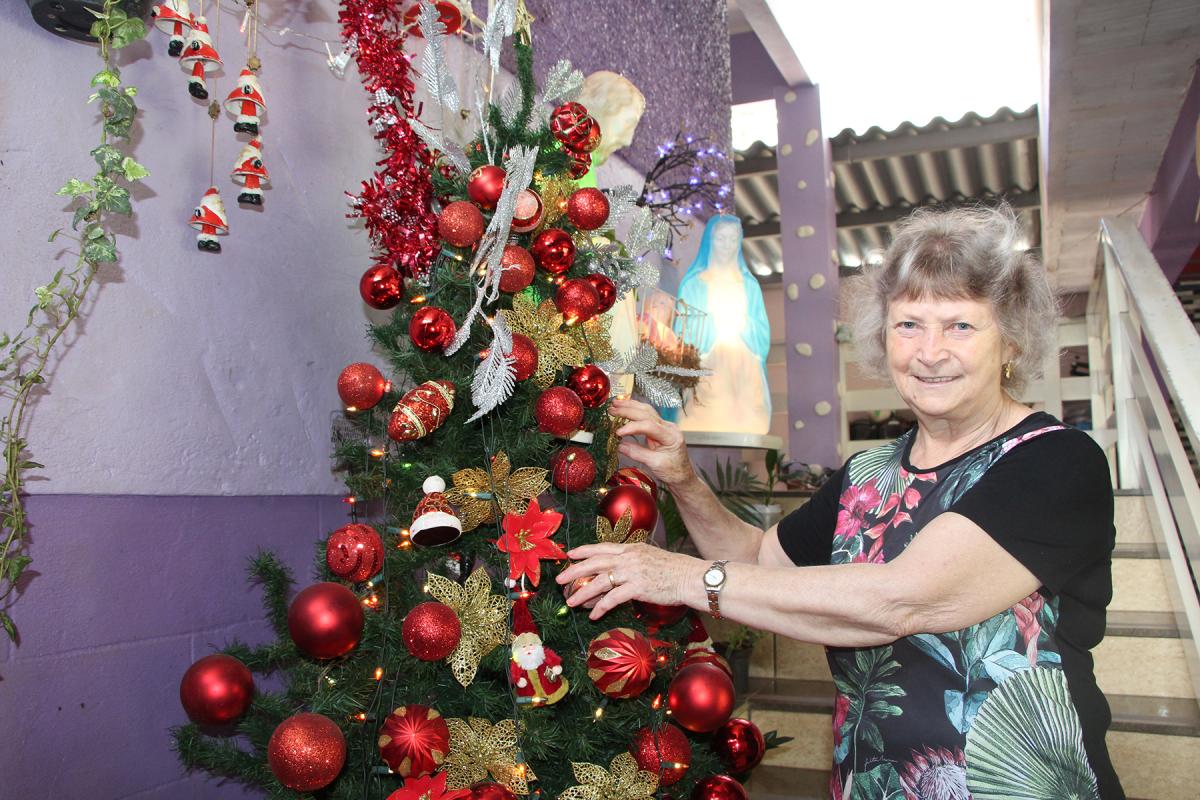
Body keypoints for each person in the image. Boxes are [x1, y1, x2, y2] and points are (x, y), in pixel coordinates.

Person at [558, 205, 1123, 799]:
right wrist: (685, 481)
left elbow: (904, 599)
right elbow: (754, 562)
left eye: (959, 326)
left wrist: (682, 577)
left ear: (1009, 339)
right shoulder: (867, 472)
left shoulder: (1055, 461)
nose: (929, 352)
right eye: (909, 325)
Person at [669, 215, 772, 434]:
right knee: (704, 410)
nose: (727, 245)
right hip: (708, 361)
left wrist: (745, 324)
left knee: (746, 416)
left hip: (744, 364)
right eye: (721, 238)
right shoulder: (694, 284)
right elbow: (684, 330)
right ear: (710, 241)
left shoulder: (749, 285)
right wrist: (710, 326)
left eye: (733, 239)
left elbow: (762, 330)